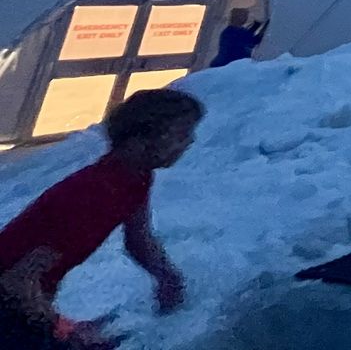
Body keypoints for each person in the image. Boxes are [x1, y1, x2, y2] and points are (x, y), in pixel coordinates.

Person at [0, 90, 202, 350]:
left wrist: (168, 278)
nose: (189, 142)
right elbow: (16, 282)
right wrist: (64, 329)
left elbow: (139, 239)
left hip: (22, 302)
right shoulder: (95, 193)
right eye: (181, 135)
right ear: (139, 139)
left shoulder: (135, 178)